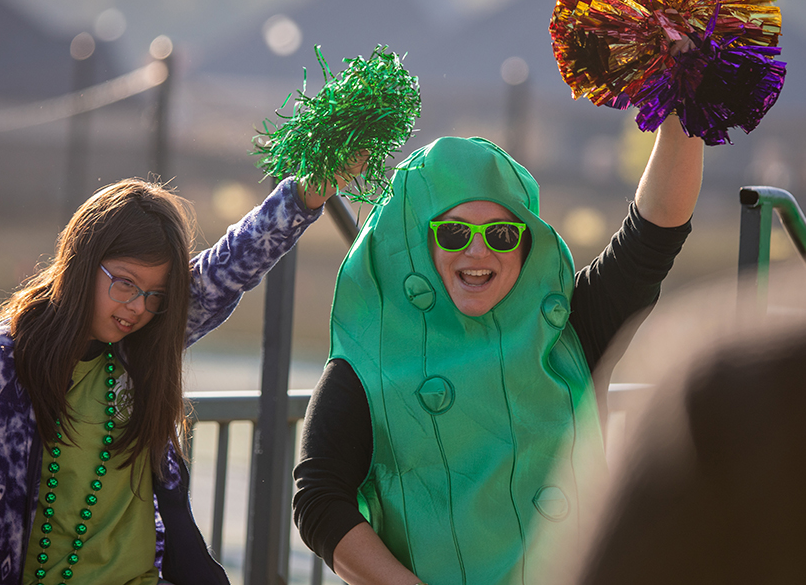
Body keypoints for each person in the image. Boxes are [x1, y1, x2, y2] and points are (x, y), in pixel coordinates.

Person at [293, 114, 704, 584]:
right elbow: (319, 497)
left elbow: (654, 232)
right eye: (453, 233)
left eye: (502, 235)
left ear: (527, 247)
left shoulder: (571, 328)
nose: (478, 252)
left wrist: (679, 108)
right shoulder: (365, 366)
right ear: (416, 244)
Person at [0, 168, 359, 585]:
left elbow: (229, 266)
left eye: (155, 294)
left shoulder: (145, 345)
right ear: (81, 264)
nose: (138, 306)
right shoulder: (0, 363)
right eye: (124, 283)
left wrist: (303, 196)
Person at [574, 219, 806, 585]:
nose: (493, 249)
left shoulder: (734, 387)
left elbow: (650, 235)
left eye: (504, 236)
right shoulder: (730, 393)